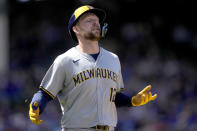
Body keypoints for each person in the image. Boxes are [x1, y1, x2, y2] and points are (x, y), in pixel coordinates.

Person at [29, 5, 157, 131]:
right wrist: (36, 105)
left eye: (97, 21)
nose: (96, 24)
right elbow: (44, 93)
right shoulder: (65, 60)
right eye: (89, 21)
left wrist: (132, 101)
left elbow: (111, 96)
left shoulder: (113, 59)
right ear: (76, 29)